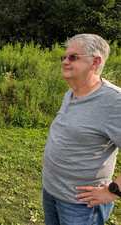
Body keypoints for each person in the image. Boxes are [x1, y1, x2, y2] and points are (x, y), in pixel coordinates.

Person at [42, 33, 121, 225]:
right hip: (51, 192)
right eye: (64, 57)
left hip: (81, 205)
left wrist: (114, 191)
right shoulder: (71, 92)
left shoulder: (114, 102)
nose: (65, 61)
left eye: (73, 57)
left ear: (95, 62)